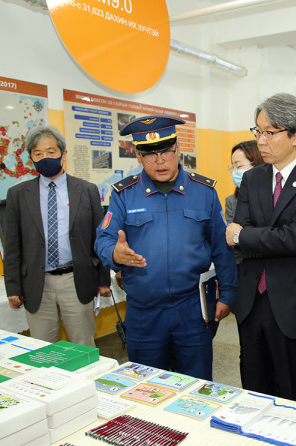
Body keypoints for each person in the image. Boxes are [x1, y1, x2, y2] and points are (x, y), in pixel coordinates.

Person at [95, 115, 237, 380]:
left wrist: (227, 294)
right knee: (147, 388)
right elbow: (103, 238)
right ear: (138, 157)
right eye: (149, 155)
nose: (159, 161)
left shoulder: (203, 191)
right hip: (144, 313)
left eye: (166, 152)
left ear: (178, 149)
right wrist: (114, 253)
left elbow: (221, 247)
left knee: (197, 387)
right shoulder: (124, 194)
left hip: (193, 310)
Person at [225, 93, 296, 405]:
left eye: (269, 132)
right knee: (254, 388)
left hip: (295, 305)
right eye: (257, 131)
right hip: (252, 302)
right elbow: (284, 238)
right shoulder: (252, 178)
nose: (261, 140)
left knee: (295, 392)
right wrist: (283, 239)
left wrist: (244, 236)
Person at [3, 125, 111, 347]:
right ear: (31, 157)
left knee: (83, 345)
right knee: (42, 350)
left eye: (51, 152)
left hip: (76, 279)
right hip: (36, 282)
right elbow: (12, 244)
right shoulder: (18, 195)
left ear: (63, 153)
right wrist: (13, 287)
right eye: (38, 153)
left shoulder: (87, 190)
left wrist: (103, 280)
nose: (44, 157)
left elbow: (99, 238)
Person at [224, 140, 264, 265]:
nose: (235, 172)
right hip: (245, 266)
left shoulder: (275, 194)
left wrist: (243, 235)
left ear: (257, 163)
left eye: (239, 166)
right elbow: (233, 240)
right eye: (233, 167)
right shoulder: (232, 201)